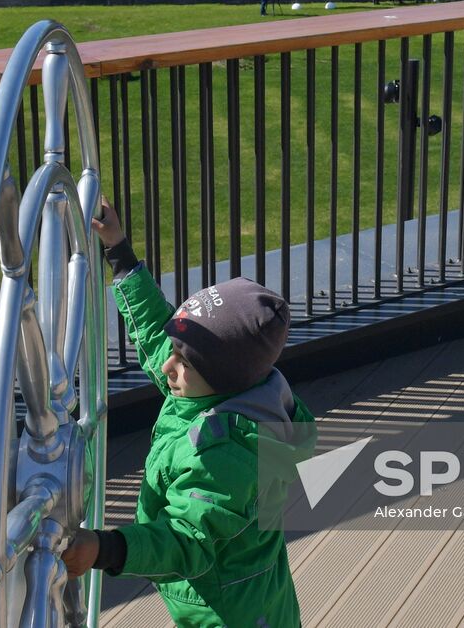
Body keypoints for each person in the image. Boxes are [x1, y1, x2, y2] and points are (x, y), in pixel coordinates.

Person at [62, 201, 316, 628]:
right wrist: (119, 253)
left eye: (183, 361)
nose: (167, 366)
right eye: (176, 351)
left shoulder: (224, 458)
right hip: (242, 590)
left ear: (221, 379)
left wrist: (105, 549)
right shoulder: (214, 387)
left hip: (228, 615)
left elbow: (186, 543)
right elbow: (162, 334)